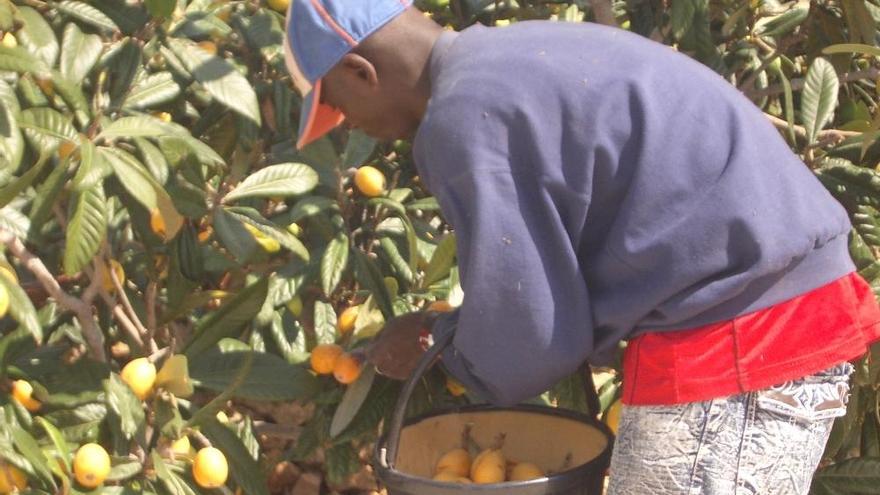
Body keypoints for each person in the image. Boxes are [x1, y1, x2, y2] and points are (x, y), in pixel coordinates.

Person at [283, 1, 880, 493]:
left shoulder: (461, 116)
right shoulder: (508, 58)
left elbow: (531, 332)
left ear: (361, 71)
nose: (349, 125)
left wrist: (447, 356)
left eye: (336, 103)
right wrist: (454, 333)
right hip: (757, 307)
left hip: (739, 334)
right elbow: (550, 280)